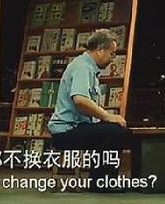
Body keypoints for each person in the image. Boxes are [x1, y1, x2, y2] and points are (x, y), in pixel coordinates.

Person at [47, 29, 134, 193]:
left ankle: (105, 179)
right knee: (116, 132)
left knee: (116, 130)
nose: (112, 58)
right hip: (67, 130)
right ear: (100, 49)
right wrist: (107, 116)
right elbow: (80, 100)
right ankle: (100, 182)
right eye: (112, 53)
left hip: (76, 127)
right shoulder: (83, 67)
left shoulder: (87, 67)